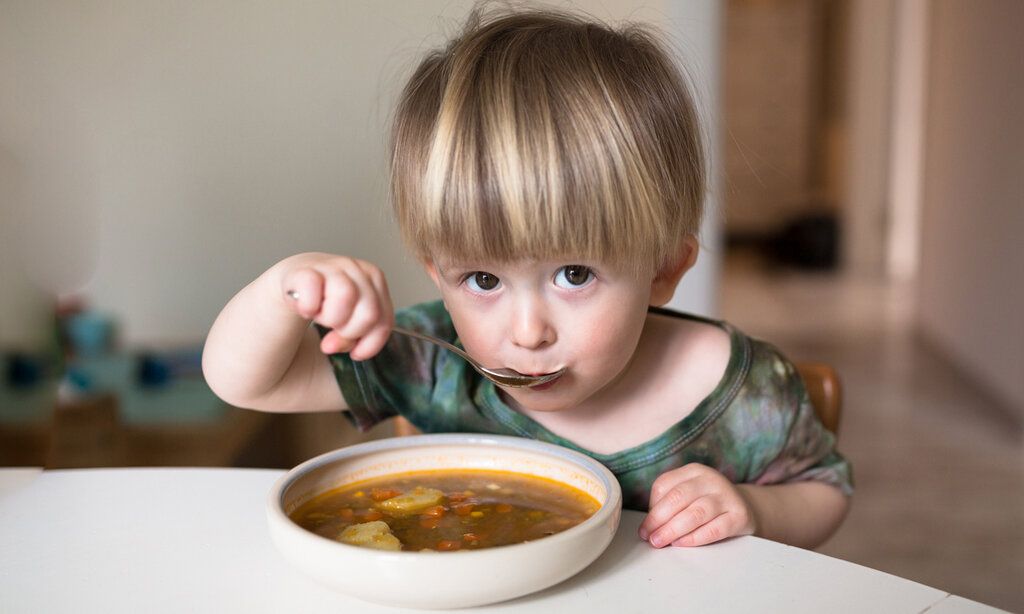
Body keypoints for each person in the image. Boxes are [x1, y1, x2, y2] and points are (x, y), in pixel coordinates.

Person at [203, 7, 852, 550]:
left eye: (574, 274)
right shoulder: (431, 360)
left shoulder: (743, 392)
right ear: (438, 273)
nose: (527, 332)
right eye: (482, 280)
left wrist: (753, 510)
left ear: (664, 269)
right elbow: (246, 382)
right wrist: (285, 288)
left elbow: (826, 489)